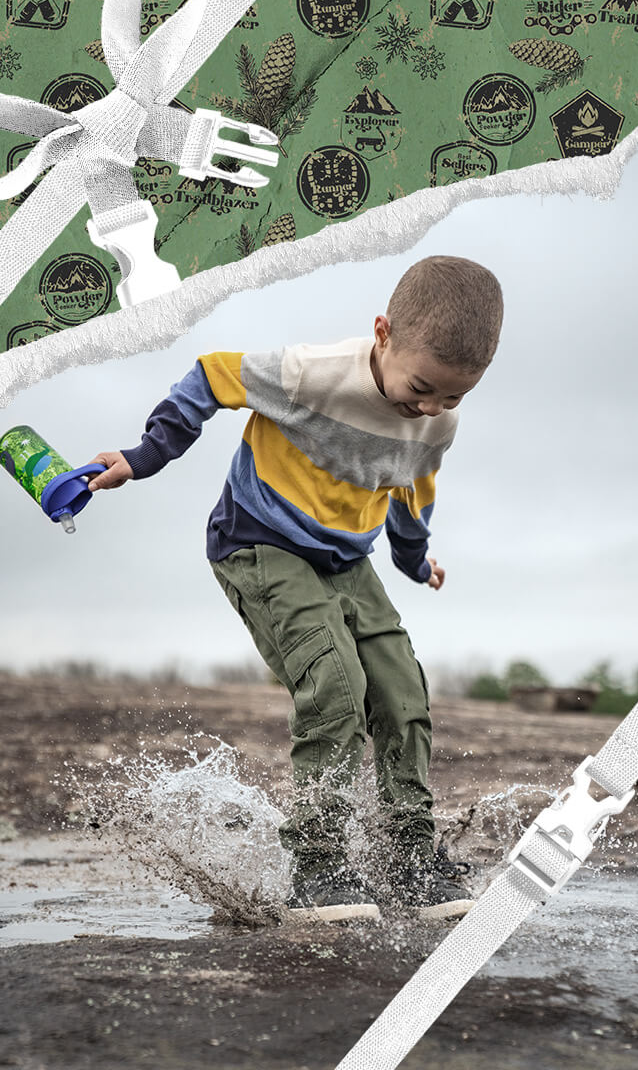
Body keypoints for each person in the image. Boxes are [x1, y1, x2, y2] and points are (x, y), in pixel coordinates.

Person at [86, 254, 503, 921]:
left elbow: (413, 487)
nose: (429, 407)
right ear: (383, 334)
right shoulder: (314, 375)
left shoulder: (435, 422)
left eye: (452, 397)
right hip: (260, 542)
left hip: (346, 558)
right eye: (422, 386)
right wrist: (144, 457)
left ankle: (411, 857)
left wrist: (415, 560)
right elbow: (211, 375)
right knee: (336, 687)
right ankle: (319, 864)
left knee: (400, 693)